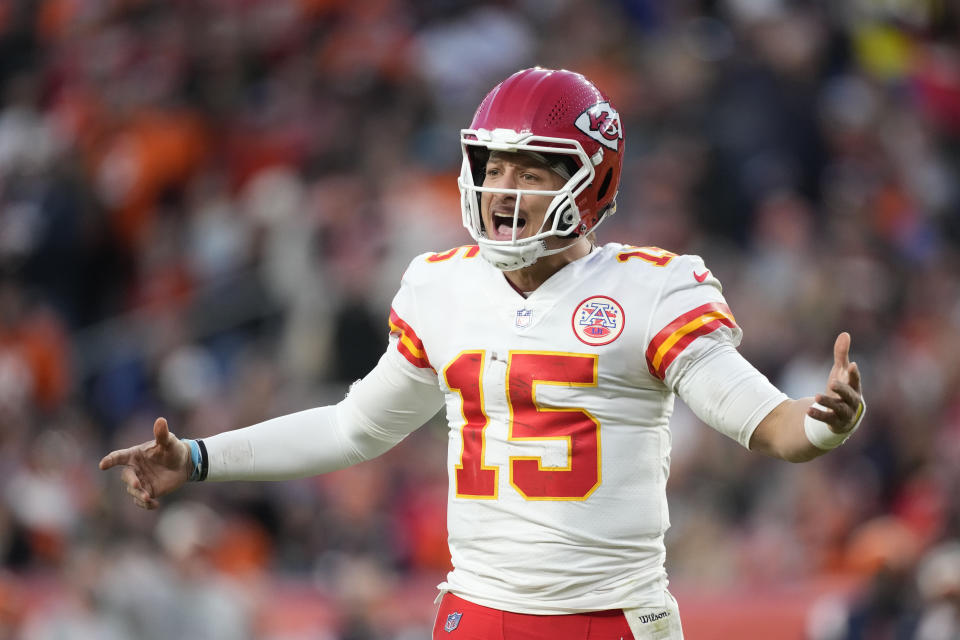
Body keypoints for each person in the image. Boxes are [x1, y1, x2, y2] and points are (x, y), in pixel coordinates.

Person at [100, 68, 865, 640]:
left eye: (530, 171)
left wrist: (823, 424)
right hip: (475, 612)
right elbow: (353, 429)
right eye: (492, 167)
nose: (503, 191)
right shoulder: (442, 286)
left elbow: (764, 422)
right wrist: (199, 458)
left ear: (589, 181)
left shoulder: (654, 288)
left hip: (607, 618)